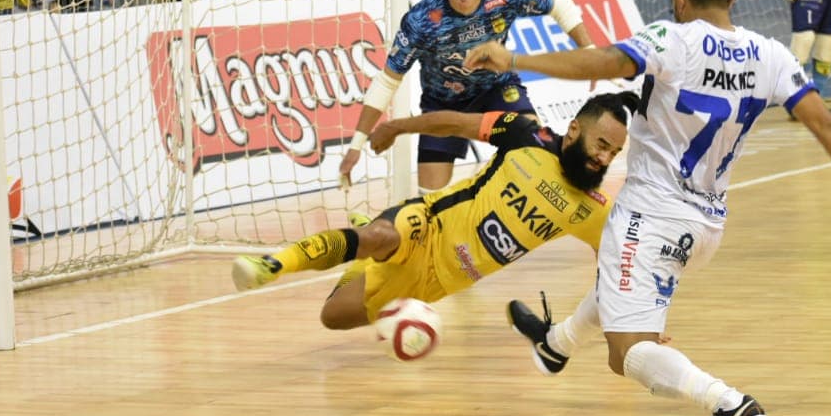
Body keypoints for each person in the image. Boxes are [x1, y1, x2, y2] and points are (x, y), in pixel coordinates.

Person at [465, 0, 831, 416]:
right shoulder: (772, 55)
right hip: (707, 226)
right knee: (617, 283)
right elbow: (827, 125)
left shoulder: (672, 38)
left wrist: (514, 58)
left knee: (625, 355)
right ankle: (555, 345)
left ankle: (728, 404)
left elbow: (605, 60)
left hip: (651, 217)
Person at [229, 93, 635, 337]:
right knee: (384, 236)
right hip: (428, 225)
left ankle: (363, 246)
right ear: (574, 131)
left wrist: (633, 327)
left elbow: (616, 264)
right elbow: (456, 124)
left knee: (332, 317)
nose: (604, 159)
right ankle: (271, 264)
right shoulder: (524, 135)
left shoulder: (591, 209)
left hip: (435, 281)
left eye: (613, 153)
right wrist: (397, 127)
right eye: (601, 145)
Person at [337, 0, 593, 194]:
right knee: (430, 195)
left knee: (533, 149)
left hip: (498, 88)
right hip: (444, 102)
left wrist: (590, 52)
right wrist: (356, 145)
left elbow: (561, 5)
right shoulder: (422, 21)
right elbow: (388, 81)